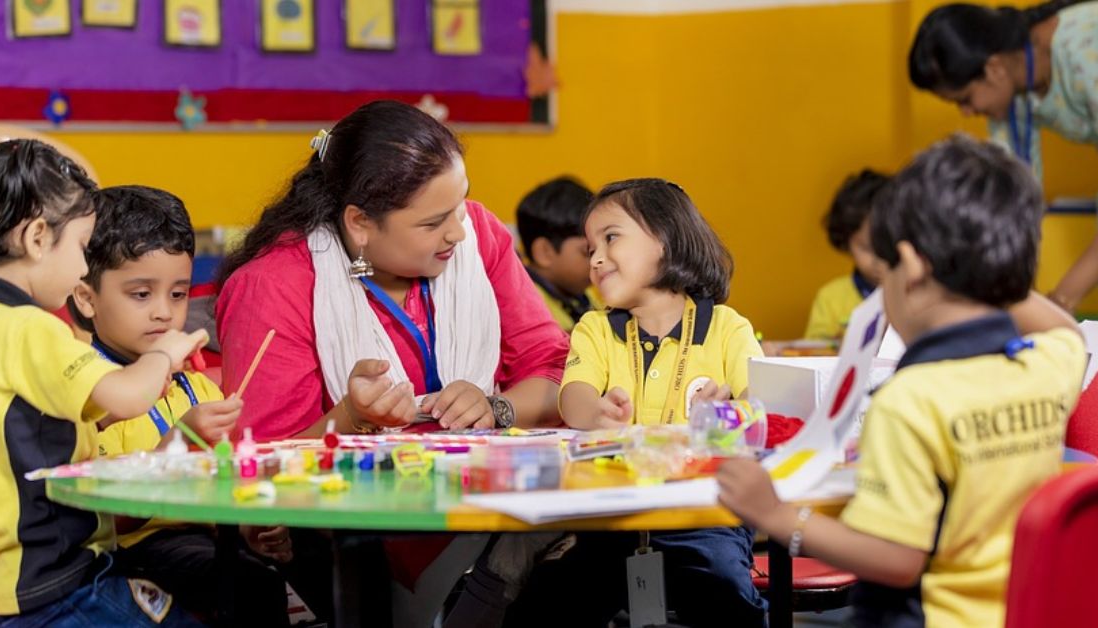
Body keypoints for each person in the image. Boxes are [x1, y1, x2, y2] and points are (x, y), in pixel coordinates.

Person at [214, 100, 569, 626]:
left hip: (489, 507)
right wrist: (353, 418)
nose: (458, 233)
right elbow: (261, 466)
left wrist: (497, 407)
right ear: (359, 223)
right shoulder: (274, 284)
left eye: (461, 206)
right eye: (433, 222)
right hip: (356, 539)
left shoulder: (481, 238)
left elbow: (555, 370)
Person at [718, 135, 1087, 627]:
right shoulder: (1046, 366)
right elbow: (1067, 332)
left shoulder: (910, 401)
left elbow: (895, 558)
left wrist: (779, 517)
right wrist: (993, 272)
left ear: (910, 268)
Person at [0, 140, 206, 627]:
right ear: (36, 238)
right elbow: (127, 394)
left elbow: (28, 421)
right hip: (57, 576)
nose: (81, 267)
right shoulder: (32, 329)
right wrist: (162, 354)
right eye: (79, 247)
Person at [508, 179, 767, 627]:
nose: (597, 258)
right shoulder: (595, 328)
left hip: (705, 517)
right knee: (544, 603)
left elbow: (762, 405)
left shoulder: (727, 328)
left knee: (725, 590)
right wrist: (596, 413)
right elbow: (575, 394)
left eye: (610, 238)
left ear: (666, 239)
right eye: (590, 249)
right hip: (609, 522)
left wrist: (731, 406)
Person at [69, 185, 289, 627]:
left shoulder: (196, 388)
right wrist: (177, 445)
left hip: (204, 541)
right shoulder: (90, 391)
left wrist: (250, 528)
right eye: (141, 294)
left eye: (178, 293)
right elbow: (107, 521)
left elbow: (219, 495)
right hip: (123, 557)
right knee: (248, 588)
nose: (164, 314)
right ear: (86, 297)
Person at [909, 0, 1098, 338]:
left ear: (994, 68)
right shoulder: (1012, 92)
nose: (968, 113)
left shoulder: (1090, 49)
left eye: (964, 99)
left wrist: (1060, 300)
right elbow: (1010, 206)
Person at [805, 169, 889, 340]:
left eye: (887, 243)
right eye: (866, 248)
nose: (878, 259)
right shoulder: (831, 298)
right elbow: (812, 352)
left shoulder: (917, 295)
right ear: (847, 243)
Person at [515, 176, 602, 332]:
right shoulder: (524, 305)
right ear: (544, 252)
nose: (598, 261)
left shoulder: (581, 291)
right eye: (588, 252)